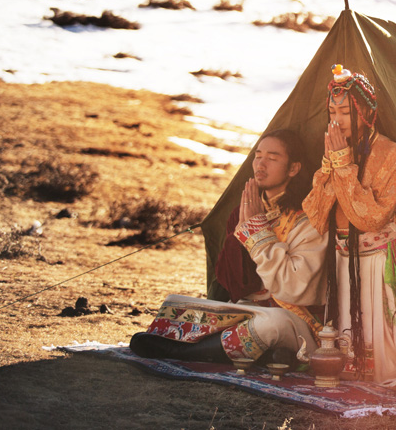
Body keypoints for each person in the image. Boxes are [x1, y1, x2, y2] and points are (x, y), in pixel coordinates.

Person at [302, 64, 396, 387]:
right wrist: (332, 165)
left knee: (382, 331)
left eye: (345, 111)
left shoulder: (391, 153)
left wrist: (342, 165)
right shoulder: (335, 147)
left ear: (367, 113)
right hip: (343, 255)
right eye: (332, 111)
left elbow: (370, 217)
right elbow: (316, 214)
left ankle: (393, 370)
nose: (337, 120)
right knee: (348, 329)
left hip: (378, 258)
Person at [129, 129, 327, 364]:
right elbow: (230, 281)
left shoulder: (308, 221)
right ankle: (265, 355)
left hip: (295, 320)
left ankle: (184, 353)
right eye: (258, 156)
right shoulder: (243, 213)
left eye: (272, 158)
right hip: (249, 309)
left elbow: (296, 288)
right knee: (174, 304)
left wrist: (258, 233)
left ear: (294, 168)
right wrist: (241, 230)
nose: (261, 164)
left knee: (272, 324)